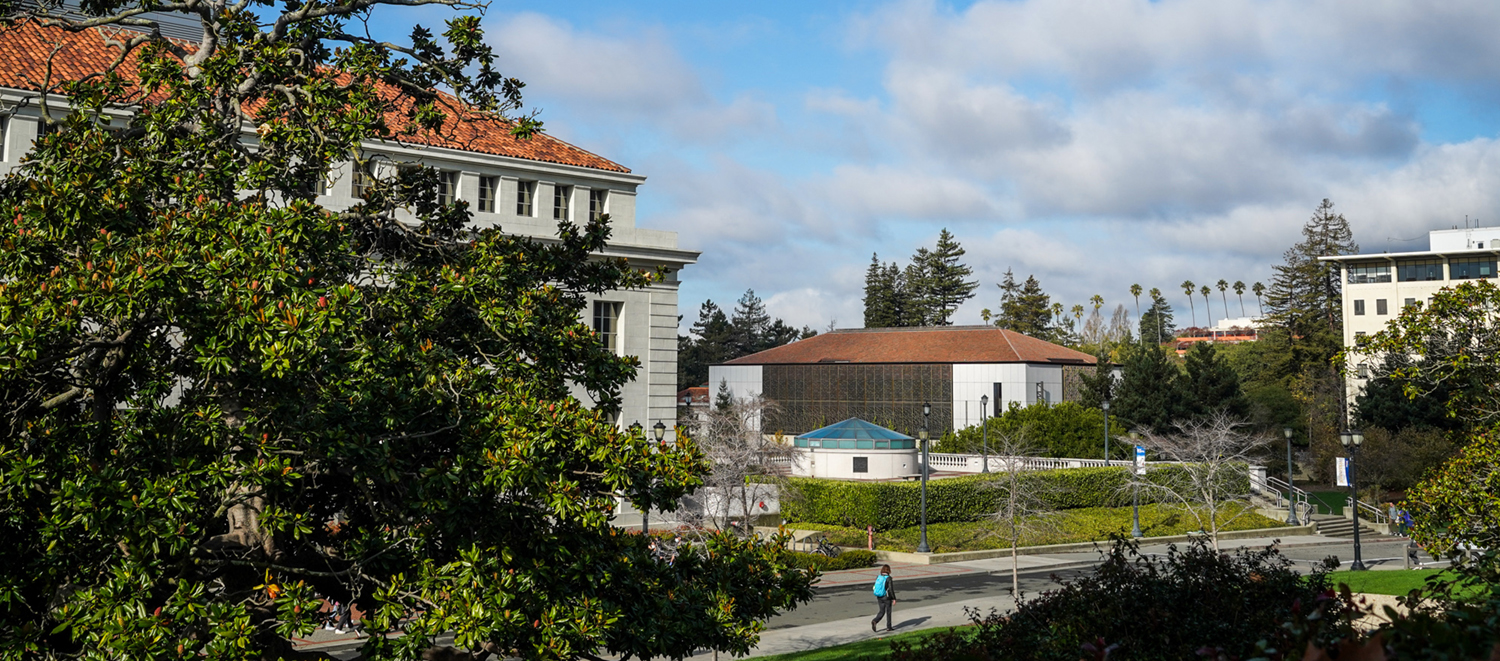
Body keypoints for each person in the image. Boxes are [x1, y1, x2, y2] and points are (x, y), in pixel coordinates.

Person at [870, 565, 896, 633]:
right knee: (888, 612)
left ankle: (875, 621)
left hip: (879, 596)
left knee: (881, 611)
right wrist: (893, 598)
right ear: (889, 570)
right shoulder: (888, 578)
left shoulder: (878, 577)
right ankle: (889, 627)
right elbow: (890, 589)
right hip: (886, 597)